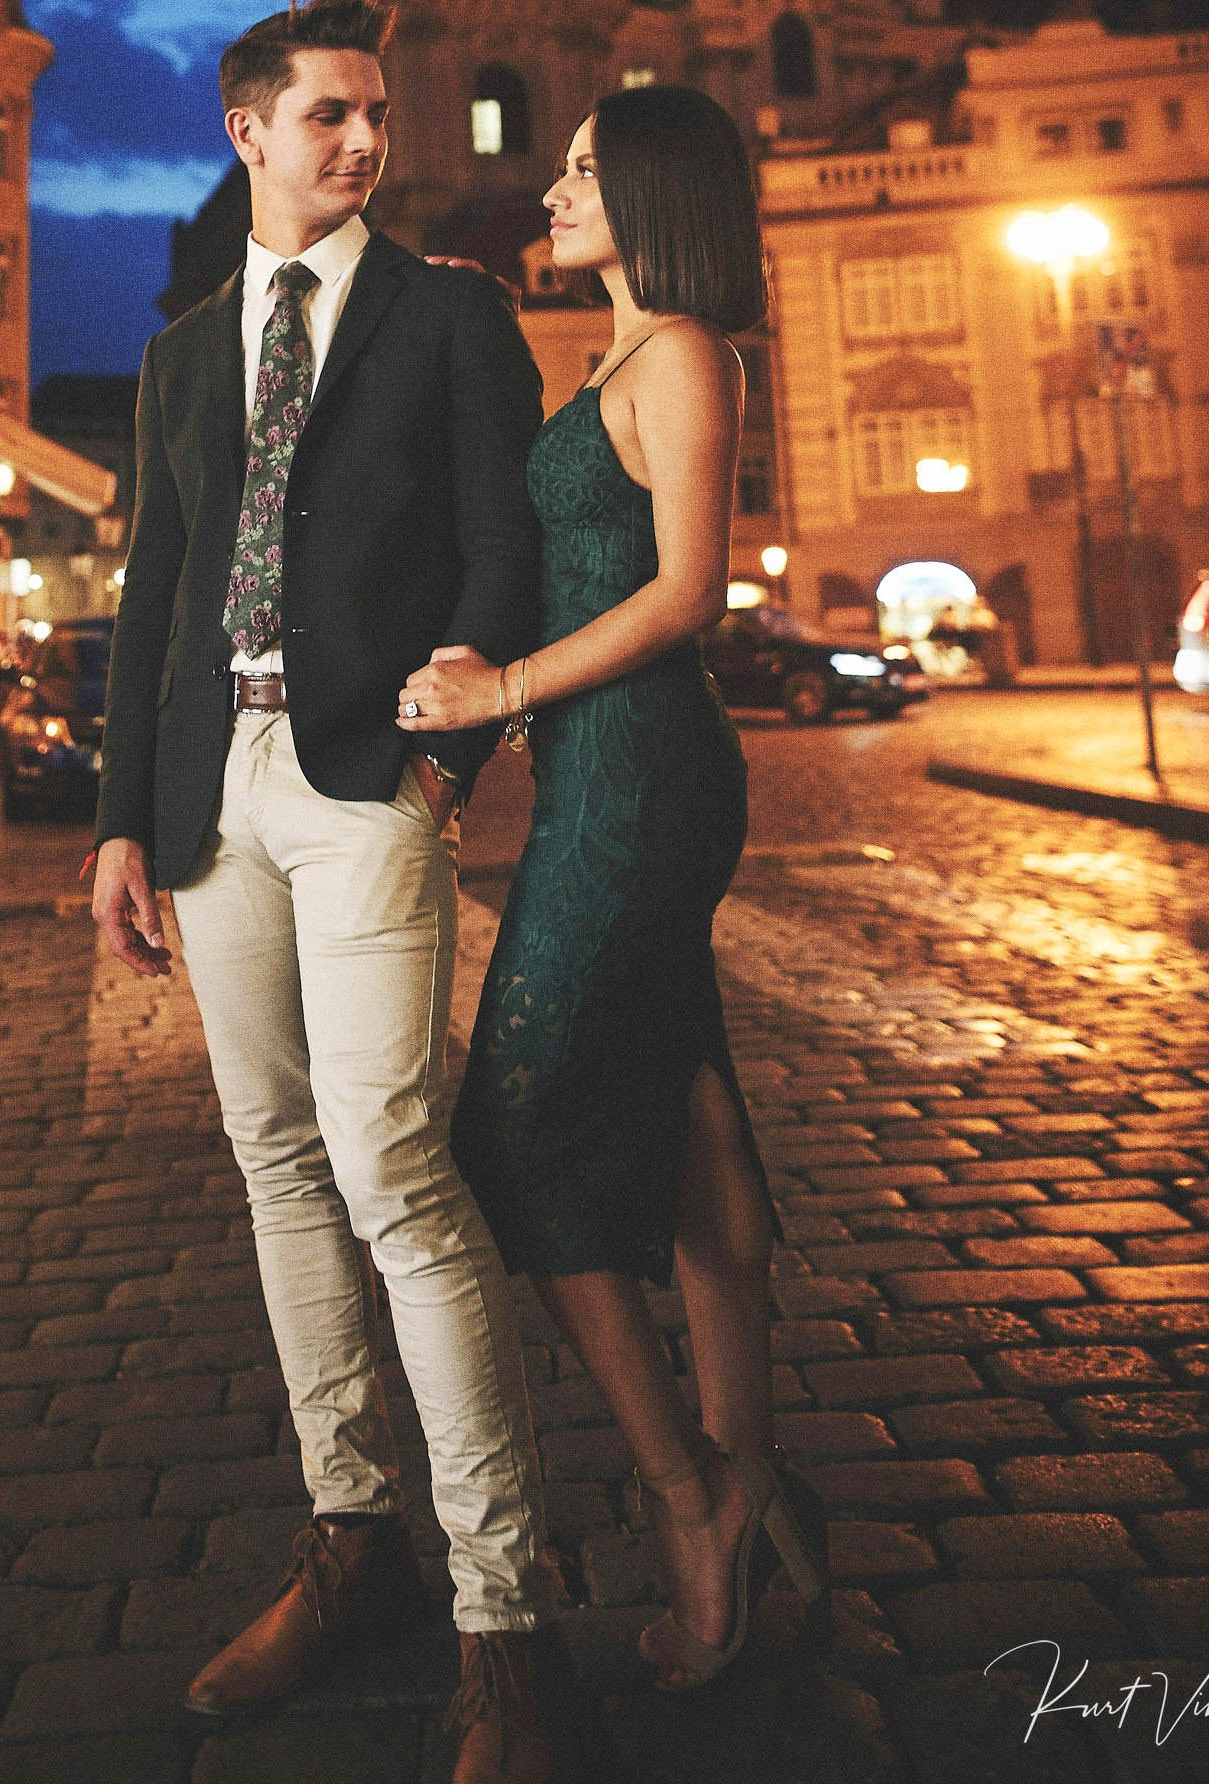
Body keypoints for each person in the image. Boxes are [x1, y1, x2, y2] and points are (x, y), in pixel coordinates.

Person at [91, 0, 583, 1781]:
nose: (366, 141)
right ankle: (350, 1536)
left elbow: (498, 539)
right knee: (275, 1162)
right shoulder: (175, 351)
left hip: (369, 776)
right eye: (329, 117)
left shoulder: (451, 310)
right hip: (209, 790)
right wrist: (120, 823)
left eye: (377, 115)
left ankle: (503, 1615)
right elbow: (156, 594)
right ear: (248, 131)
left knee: (391, 1160)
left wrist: (450, 755)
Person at [397, 85, 826, 1692]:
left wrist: (499, 691)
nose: (550, 190)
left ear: (652, 198)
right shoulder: (618, 357)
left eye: (582, 171)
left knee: (510, 1127)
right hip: (602, 776)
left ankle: (690, 1502)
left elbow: (690, 590)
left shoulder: (686, 354)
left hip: (642, 783)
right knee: (697, 1118)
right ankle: (750, 1474)